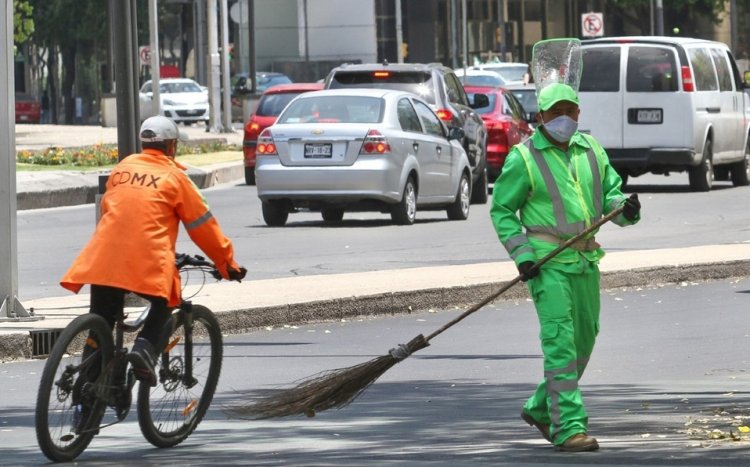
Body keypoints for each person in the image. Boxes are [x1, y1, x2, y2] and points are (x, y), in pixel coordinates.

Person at [490, 83, 640, 452]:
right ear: (540, 118)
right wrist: (522, 254)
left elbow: (610, 195)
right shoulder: (523, 158)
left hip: (586, 259)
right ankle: (568, 427)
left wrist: (626, 208)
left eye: (569, 111)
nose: (563, 119)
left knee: (584, 341)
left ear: (578, 113)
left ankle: (541, 408)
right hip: (548, 263)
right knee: (560, 344)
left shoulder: (592, 150)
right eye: (555, 113)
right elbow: (502, 211)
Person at [61, 115, 246, 384]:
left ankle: (83, 404)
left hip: (102, 257)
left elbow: (113, 211)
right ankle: (145, 348)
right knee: (167, 298)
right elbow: (203, 227)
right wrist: (226, 264)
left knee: (101, 322)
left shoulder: (122, 168)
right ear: (172, 147)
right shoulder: (177, 179)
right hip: (146, 260)